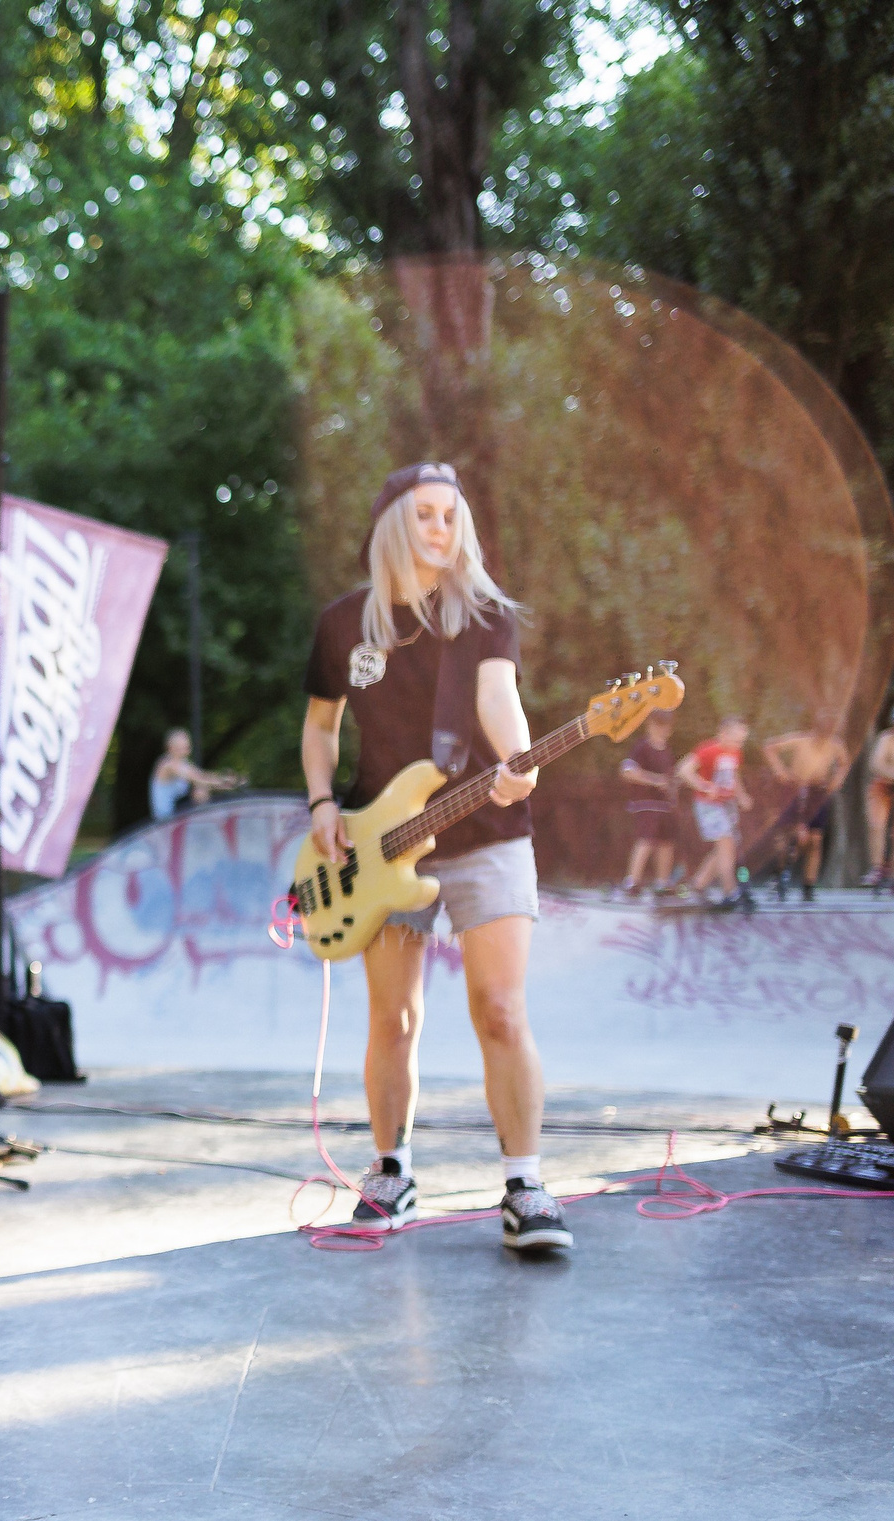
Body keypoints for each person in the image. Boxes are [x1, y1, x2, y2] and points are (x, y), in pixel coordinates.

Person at [301, 461, 567, 1253]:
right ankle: (391, 1172)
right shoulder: (345, 624)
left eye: (452, 515)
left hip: (485, 834)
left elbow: (497, 697)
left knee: (502, 1009)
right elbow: (321, 728)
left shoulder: (484, 616)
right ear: (392, 524)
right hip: (380, 845)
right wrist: (322, 805)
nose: (442, 528)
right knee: (395, 1016)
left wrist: (518, 760)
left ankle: (526, 1184)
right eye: (426, 514)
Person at [759, 727, 850, 902]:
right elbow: (769, 747)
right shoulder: (799, 740)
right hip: (797, 789)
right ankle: (779, 873)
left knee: (815, 840)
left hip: (819, 792)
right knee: (795, 835)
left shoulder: (835, 744)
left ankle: (808, 886)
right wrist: (780, 770)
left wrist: (837, 780)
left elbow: (844, 763)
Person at [678, 715, 749, 904]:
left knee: (725, 847)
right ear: (723, 734)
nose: (738, 745)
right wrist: (704, 786)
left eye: (741, 741)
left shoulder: (735, 753)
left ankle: (699, 883)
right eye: (735, 740)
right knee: (726, 845)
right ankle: (730, 890)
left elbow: (735, 775)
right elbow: (684, 770)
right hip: (708, 805)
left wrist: (741, 795)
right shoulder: (708, 750)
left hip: (727, 805)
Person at [614, 707, 680, 898]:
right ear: (649, 726)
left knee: (666, 843)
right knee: (646, 840)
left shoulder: (667, 750)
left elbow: (670, 778)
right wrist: (655, 780)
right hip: (646, 803)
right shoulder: (642, 747)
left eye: (666, 727)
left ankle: (662, 881)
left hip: (665, 805)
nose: (662, 730)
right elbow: (627, 771)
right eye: (658, 726)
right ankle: (632, 881)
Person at [147, 728, 243, 821]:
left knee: (202, 789)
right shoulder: (167, 765)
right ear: (170, 748)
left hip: (177, 811)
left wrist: (229, 782)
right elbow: (198, 779)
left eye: (187, 748)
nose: (186, 752)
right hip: (165, 820)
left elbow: (202, 775)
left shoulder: (183, 762)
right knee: (200, 790)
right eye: (181, 749)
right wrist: (225, 781)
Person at [868, 722, 894, 887]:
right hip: (883, 786)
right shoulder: (886, 738)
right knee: (877, 826)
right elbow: (876, 763)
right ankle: (877, 868)